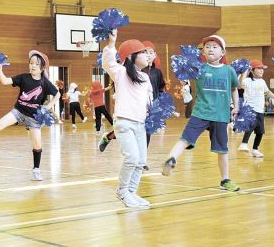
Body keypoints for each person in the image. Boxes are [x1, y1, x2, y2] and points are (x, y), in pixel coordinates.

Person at [162, 35, 241, 192]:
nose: (210, 48)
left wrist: (236, 106)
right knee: (185, 138)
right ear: (203, 52)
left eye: (215, 46)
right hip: (200, 113)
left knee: (222, 149)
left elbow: (233, 89)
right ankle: (171, 159)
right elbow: (182, 72)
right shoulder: (199, 68)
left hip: (220, 115)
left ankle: (225, 180)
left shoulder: (229, 70)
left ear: (222, 52)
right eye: (207, 46)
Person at [102, 29, 153, 207]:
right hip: (124, 123)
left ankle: (131, 192)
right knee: (131, 157)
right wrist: (111, 44)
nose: (147, 56)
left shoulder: (145, 77)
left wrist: (152, 112)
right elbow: (108, 63)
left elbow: (148, 100)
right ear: (131, 56)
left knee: (141, 161)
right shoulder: (121, 72)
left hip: (140, 124)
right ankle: (122, 191)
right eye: (143, 53)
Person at [0, 50, 60, 181]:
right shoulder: (24, 77)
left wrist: (47, 107)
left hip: (34, 116)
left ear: (42, 68)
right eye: (31, 63)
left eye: (36, 64)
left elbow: (57, 94)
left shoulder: (45, 83)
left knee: (37, 144)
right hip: (18, 110)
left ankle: (36, 170)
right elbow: (6, 81)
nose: (33, 65)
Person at [237, 59, 274, 157]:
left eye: (262, 68)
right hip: (250, 108)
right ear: (252, 70)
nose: (262, 70)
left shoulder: (262, 81)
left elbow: (267, 92)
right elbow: (240, 84)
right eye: (259, 68)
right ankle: (244, 144)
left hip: (260, 110)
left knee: (260, 131)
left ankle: (255, 150)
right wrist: (245, 71)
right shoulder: (247, 81)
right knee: (251, 125)